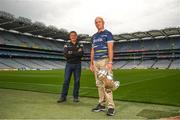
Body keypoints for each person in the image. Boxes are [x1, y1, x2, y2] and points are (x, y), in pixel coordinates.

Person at [90, 17, 115, 116]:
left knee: (107, 84)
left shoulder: (108, 34)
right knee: (99, 84)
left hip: (104, 61)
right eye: (96, 22)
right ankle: (101, 104)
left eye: (99, 22)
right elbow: (92, 50)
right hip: (95, 62)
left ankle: (111, 107)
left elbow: (110, 48)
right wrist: (91, 63)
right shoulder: (94, 36)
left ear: (103, 23)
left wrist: (110, 62)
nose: (97, 23)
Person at [57, 31, 83, 103]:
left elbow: (81, 54)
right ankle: (63, 97)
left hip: (78, 65)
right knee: (66, 81)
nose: (73, 37)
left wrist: (71, 52)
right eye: (71, 35)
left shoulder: (80, 44)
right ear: (70, 37)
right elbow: (66, 55)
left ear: (76, 36)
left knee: (77, 81)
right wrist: (76, 52)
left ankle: (75, 97)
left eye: (74, 35)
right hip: (69, 64)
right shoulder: (66, 44)